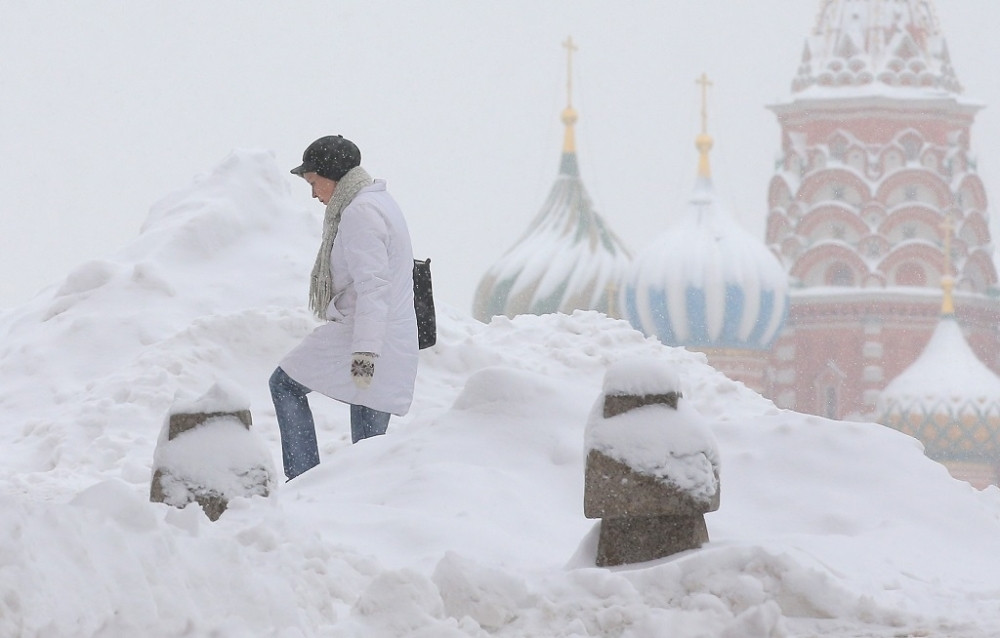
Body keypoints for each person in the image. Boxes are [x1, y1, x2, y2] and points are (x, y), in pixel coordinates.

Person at [270, 135, 419, 481]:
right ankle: (350, 503)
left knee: (284, 384)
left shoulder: (360, 213)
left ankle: (304, 481)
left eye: (313, 182)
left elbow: (374, 288)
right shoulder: (377, 202)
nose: (313, 193)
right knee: (366, 454)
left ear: (332, 174)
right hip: (382, 336)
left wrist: (365, 353)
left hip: (369, 338)